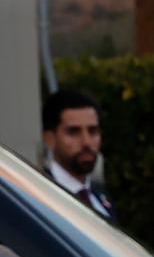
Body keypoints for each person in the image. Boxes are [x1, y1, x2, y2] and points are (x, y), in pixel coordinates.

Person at [41, 89, 116, 220]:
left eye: (93, 131)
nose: (86, 142)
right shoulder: (38, 195)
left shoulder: (102, 197)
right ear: (50, 139)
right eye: (73, 132)